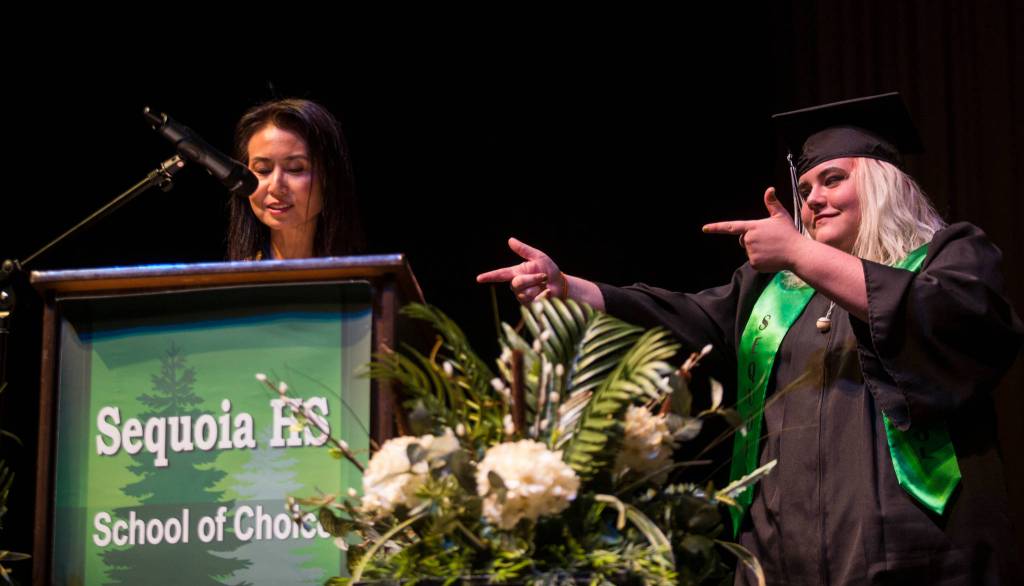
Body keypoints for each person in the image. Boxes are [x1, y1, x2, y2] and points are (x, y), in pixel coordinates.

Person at [477, 93, 1023, 584]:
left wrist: (800, 253)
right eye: (805, 187)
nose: (812, 200)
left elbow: (955, 323)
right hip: (782, 554)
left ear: (881, 186)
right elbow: (684, 316)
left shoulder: (950, 257)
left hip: (919, 552)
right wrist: (570, 287)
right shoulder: (774, 292)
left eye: (833, 180)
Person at [227, 98, 363, 260]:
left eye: (295, 169)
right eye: (263, 170)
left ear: (328, 177)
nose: (275, 187)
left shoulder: (365, 278)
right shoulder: (239, 278)